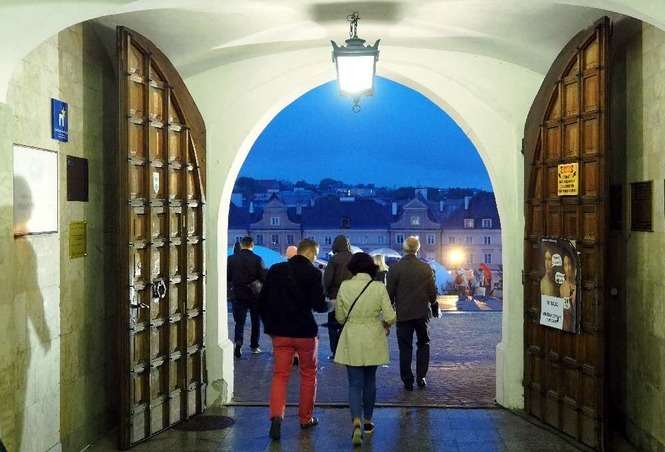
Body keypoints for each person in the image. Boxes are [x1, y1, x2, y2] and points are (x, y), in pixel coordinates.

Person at [258, 239, 329, 441]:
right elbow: (319, 305)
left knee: (280, 375)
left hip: (280, 332)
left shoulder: (276, 270)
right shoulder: (314, 273)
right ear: (311, 253)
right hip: (305, 333)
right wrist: (330, 305)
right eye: (316, 254)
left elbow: (262, 301)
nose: (316, 258)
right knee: (308, 375)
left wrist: (270, 327)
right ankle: (306, 418)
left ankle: (276, 417)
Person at [335, 253, 396, 446]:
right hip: (373, 336)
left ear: (352, 268)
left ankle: (356, 422)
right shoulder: (378, 287)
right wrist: (385, 324)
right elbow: (390, 316)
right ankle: (368, 421)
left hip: (352, 336)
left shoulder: (345, 286)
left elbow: (339, 317)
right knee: (370, 381)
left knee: (354, 383)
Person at [387, 236, 437, 391]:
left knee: (405, 348)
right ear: (418, 249)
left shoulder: (395, 268)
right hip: (422, 313)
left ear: (404, 249)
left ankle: (407, 380)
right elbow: (432, 291)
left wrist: (389, 311)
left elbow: (389, 294)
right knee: (424, 344)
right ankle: (421, 377)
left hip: (403, 314)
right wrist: (433, 303)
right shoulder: (425, 268)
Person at [227, 236, 267, 358]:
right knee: (255, 321)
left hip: (238, 293)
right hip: (254, 295)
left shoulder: (231, 259)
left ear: (241, 245)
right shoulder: (258, 259)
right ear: (252, 245)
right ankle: (254, 346)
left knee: (239, 322)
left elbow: (228, 277)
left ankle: (238, 343)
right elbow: (263, 278)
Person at [323, 235, 353, 359]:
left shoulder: (333, 260)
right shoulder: (354, 258)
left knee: (333, 325)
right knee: (349, 325)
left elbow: (327, 280)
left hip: (335, 296)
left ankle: (336, 351)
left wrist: (326, 293)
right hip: (352, 298)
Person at [559, 253, 577, 332]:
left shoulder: (577, 285)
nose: (568, 268)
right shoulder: (562, 287)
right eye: (565, 265)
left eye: (569, 264)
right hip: (567, 326)